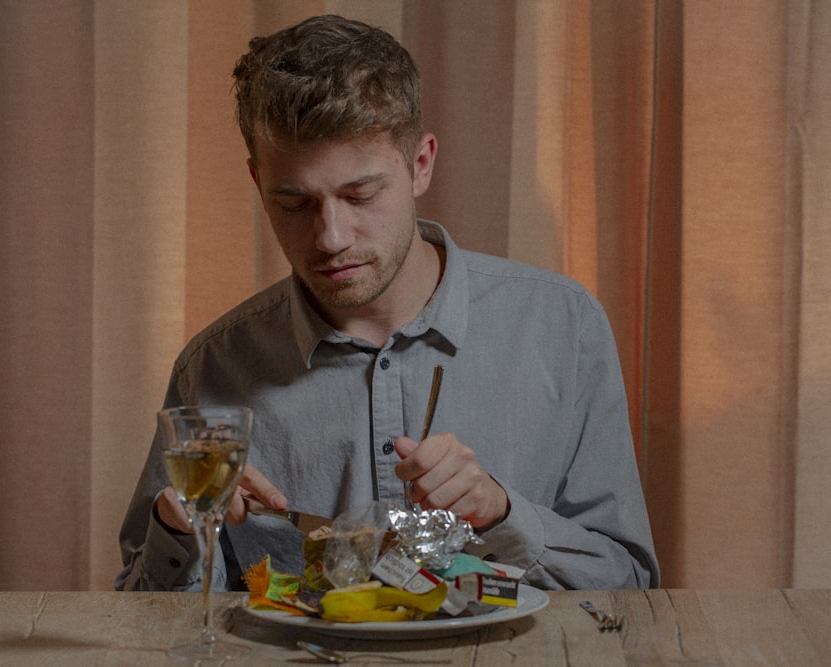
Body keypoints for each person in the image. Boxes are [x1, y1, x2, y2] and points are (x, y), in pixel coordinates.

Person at [116, 14, 659, 593]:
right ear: (257, 183)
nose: (331, 237)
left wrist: (503, 513)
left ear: (420, 165)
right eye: (294, 203)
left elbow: (629, 588)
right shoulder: (213, 369)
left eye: (361, 195)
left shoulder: (563, 326)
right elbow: (140, 617)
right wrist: (179, 526)